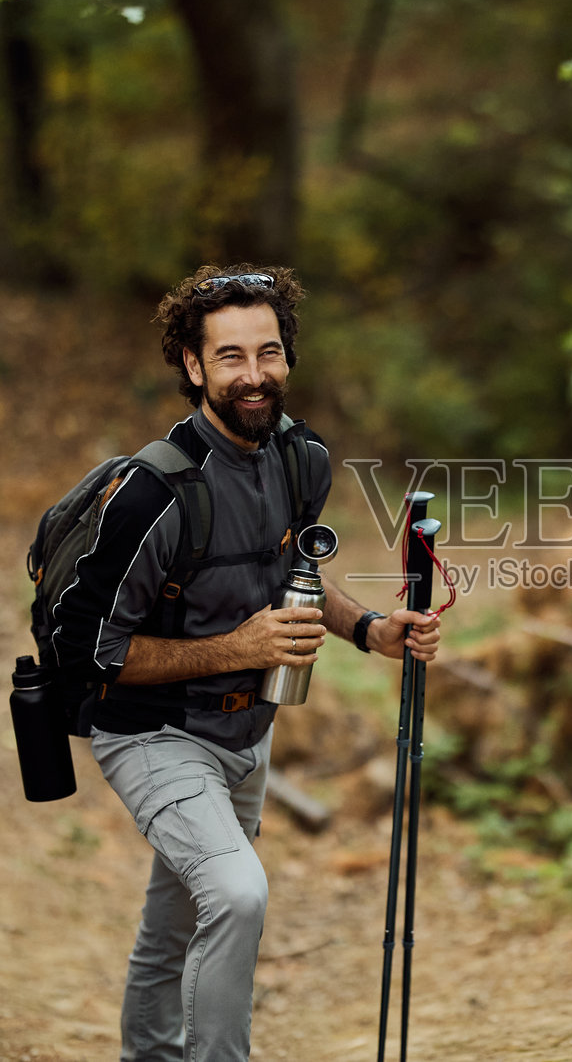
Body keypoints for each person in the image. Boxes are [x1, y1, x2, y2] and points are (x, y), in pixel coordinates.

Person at [48, 264, 442, 1061]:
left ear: (288, 356)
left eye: (269, 352)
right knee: (235, 891)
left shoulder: (302, 460)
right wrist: (238, 648)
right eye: (230, 356)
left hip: (247, 735)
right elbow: (86, 651)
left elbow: (290, 575)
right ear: (193, 366)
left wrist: (370, 629)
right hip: (153, 731)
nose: (254, 375)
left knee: (181, 920)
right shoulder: (151, 495)